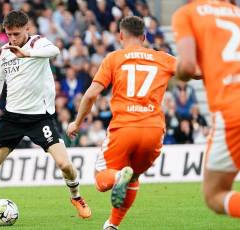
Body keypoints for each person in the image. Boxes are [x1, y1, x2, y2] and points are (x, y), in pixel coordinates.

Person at [0, 10, 91, 224]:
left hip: (40, 118)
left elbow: (55, 51)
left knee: (65, 165)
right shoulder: (3, 52)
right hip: (12, 118)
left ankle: (76, 197)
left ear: (27, 29)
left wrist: (26, 54)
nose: (12, 39)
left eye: (17, 34)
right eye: (9, 34)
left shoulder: (38, 43)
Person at [67, 16, 176, 230]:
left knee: (101, 178)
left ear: (120, 36)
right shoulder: (162, 58)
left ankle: (118, 175)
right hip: (154, 130)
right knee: (133, 177)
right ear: (144, 37)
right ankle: (112, 225)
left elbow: (91, 95)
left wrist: (77, 122)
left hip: (124, 128)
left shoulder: (114, 58)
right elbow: (197, 72)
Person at [172, 0, 240, 219]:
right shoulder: (239, 13)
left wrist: (176, 71)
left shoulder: (187, 13)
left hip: (232, 109)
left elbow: (188, 67)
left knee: (214, 194)